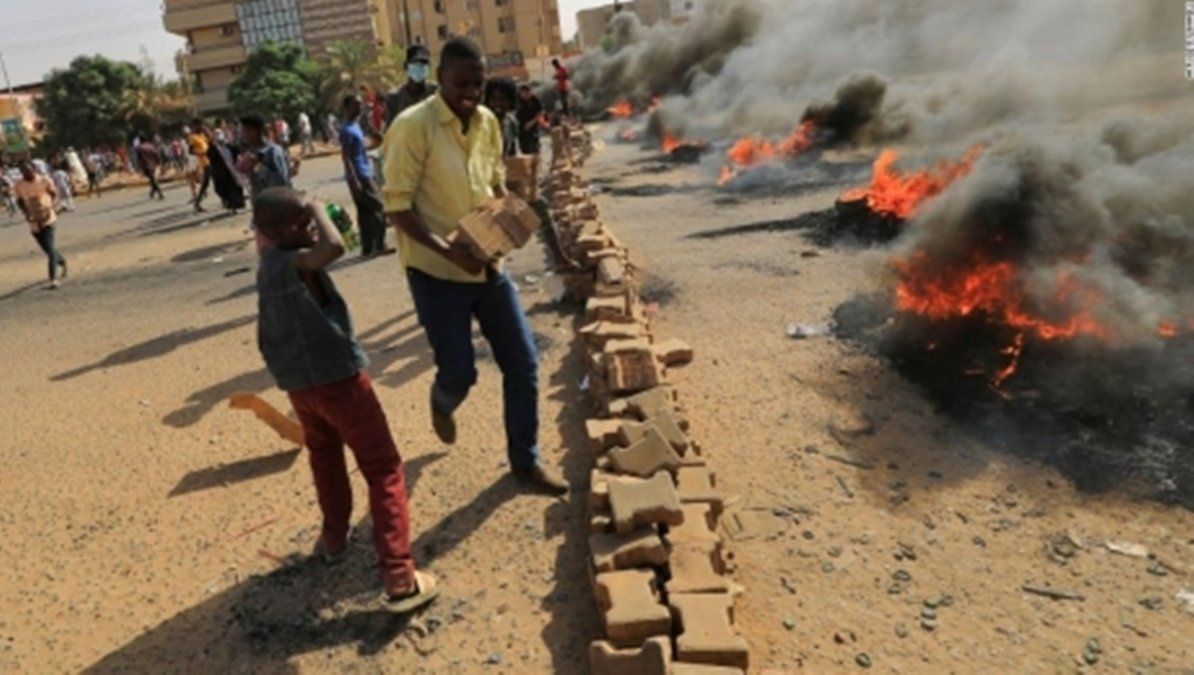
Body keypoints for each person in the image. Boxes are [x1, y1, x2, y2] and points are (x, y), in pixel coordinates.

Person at [383, 37, 567, 495]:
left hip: (488, 264)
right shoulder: (412, 127)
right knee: (460, 372)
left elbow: (494, 183)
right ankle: (442, 400)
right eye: (461, 82)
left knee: (523, 364)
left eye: (478, 83)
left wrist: (515, 214)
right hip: (435, 271)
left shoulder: (488, 122)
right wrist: (451, 253)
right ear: (440, 77)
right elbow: (398, 209)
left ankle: (525, 463)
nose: (470, 91)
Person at [252, 186, 438, 611]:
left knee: (325, 455)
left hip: (300, 386)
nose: (313, 226)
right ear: (291, 230)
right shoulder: (295, 263)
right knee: (383, 467)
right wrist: (315, 205)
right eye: (304, 223)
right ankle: (399, 576)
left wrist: (298, 219)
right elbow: (335, 245)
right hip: (339, 379)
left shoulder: (267, 264)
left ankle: (333, 540)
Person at [340, 95, 392, 259]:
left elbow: (362, 148)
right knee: (379, 207)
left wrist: (374, 136)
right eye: (357, 105)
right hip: (360, 175)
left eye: (361, 105)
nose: (360, 108)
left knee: (365, 212)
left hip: (363, 171)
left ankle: (368, 248)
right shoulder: (346, 129)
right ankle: (380, 244)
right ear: (348, 107)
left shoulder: (356, 126)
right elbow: (346, 156)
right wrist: (353, 178)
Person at [13, 160, 68, 289]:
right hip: (33, 221)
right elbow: (19, 200)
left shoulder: (44, 180)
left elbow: (53, 193)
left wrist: (49, 206)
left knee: (49, 247)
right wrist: (26, 210)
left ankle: (53, 279)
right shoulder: (19, 185)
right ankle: (62, 260)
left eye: (28, 169)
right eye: (23, 170)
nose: (26, 172)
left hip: (48, 218)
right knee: (48, 250)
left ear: (34, 168)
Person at [237, 114, 292, 199]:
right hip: (260, 205)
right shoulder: (251, 152)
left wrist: (257, 165)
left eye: (246, 131)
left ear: (256, 131)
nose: (243, 135)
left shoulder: (273, 151)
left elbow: (281, 181)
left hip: (277, 204)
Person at [385, 45, 439, 128]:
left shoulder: (436, 92)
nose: (420, 67)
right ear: (406, 66)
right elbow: (391, 130)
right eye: (415, 63)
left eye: (424, 64)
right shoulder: (395, 97)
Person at [207, 128, 247, 213]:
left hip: (233, 170)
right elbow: (210, 157)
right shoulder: (213, 148)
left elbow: (238, 152)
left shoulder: (230, 145)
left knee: (234, 188)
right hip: (222, 173)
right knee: (222, 189)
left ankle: (235, 206)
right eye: (216, 135)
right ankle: (230, 204)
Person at [484, 77, 520, 157]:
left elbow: (513, 153)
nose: (498, 103)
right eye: (494, 99)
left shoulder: (511, 122)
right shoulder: (480, 122)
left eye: (503, 99)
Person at [188, 119, 212, 212]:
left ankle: (198, 203)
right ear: (195, 126)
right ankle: (197, 203)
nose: (202, 127)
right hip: (205, 161)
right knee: (206, 183)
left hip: (211, 159)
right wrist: (201, 152)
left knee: (211, 181)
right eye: (200, 125)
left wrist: (208, 133)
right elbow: (190, 151)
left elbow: (210, 142)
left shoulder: (202, 135)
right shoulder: (192, 137)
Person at [515, 84, 544, 156]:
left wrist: (531, 123)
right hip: (521, 128)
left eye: (526, 93)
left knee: (534, 148)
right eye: (522, 94)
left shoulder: (535, 100)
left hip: (533, 127)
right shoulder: (518, 100)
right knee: (525, 149)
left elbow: (540, 113)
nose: (524, 96)